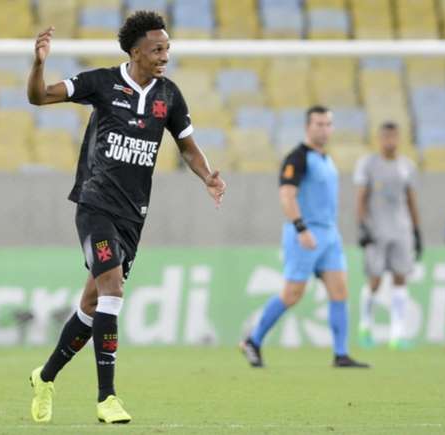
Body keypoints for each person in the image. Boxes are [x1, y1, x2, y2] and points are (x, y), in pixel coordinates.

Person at [26, 10, 226, 424]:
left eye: (167, 48)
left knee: (92, 304)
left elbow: (187, 146)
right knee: (112, 290)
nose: (164, 55)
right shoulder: (100, 83)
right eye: (157, 49)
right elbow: (39, 96)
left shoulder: (168, 95)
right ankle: (107, 397)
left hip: (133, 216)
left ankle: (44, 378)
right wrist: (39, 64)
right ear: (136, 52)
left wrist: (208, 175)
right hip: (95, 205)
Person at [241, 106, 368, 369]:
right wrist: (301, 228)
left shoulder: (327, 159)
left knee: (340, 290)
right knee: (292, 293)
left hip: (329, 234)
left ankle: (341, 354)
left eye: (328, 124)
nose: (324, 129)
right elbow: (287, 195)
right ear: (307, 127)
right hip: (304, 233)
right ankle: (253, 340)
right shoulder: (297, 158)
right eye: (319, 124)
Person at [354, 122, 422, 349]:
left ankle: (397, 333)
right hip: (377, 231)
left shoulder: (407, 166)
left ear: (399, 138)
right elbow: (361, 198)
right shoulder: (369, 164)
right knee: (375, 280)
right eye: (386, 137)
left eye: (394, 136)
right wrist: (362, 226)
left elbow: (411, 199)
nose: (390, 141)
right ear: (379, 139)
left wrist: (416, 230)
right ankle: (365, 327)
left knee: (400, 278)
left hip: (401, 230)